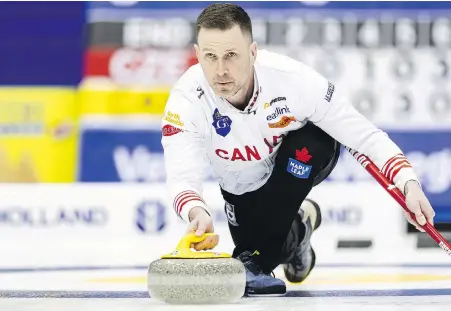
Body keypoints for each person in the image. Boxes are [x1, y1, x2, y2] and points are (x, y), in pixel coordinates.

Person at [161, 3, 435, 296]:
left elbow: (363, 136)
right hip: (240, 185)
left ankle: (261, 251)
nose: (221, 70)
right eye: (210, 57)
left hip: (298, 160)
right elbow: (182, 175)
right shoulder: (185, 100)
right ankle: (300, 228)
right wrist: (195, 211)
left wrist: (409, 183)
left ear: (252, 52)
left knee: (254, 258)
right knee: (265, 248)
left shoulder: (294, 80)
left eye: (231, 55)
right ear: (198, 53)